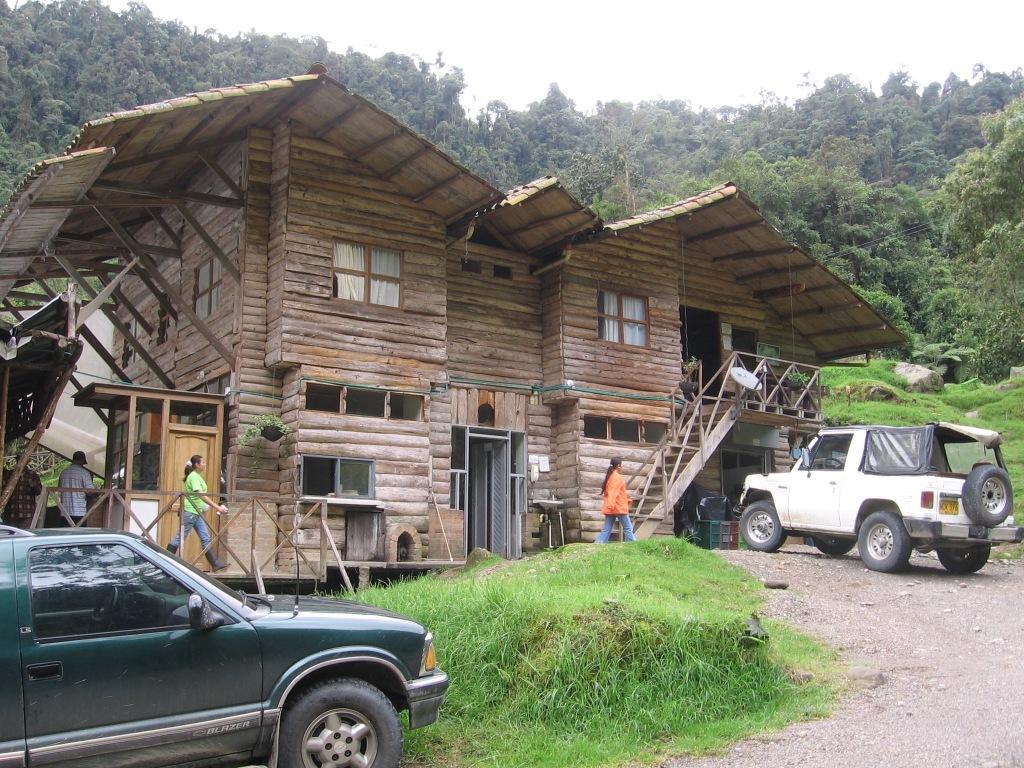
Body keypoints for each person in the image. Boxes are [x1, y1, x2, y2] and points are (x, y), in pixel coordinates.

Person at [167, 454, 228, 570]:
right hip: (191, 512)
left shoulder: (197, 476)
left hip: (196, 512)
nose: (205, 464)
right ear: (197, 465)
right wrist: (217, 507)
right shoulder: (194, 476)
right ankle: (165, 560)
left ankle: (215, 564)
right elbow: (200, 494)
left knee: (205, 537)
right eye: (203, 463)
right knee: (180, 537)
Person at [595, 457, 635, 543]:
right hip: (618, 507)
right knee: (628, 528)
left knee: (607, 529)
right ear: (618, 466)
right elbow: (613, 492)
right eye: (621, 465)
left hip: (612, 507)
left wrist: (627, 499)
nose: (622, 467)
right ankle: (632, 545)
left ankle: (598, 545)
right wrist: (611, 505)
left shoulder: (611, 476)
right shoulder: (617, 477)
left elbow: (615, 492)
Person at [58, 451, 93, 527]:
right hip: (79, 512)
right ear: (81, 460)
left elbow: (59, 489)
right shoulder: (84, 473)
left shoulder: (63, 472)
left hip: (65, 511)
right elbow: (90, 491)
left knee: (65, 535)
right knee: (80, 535)